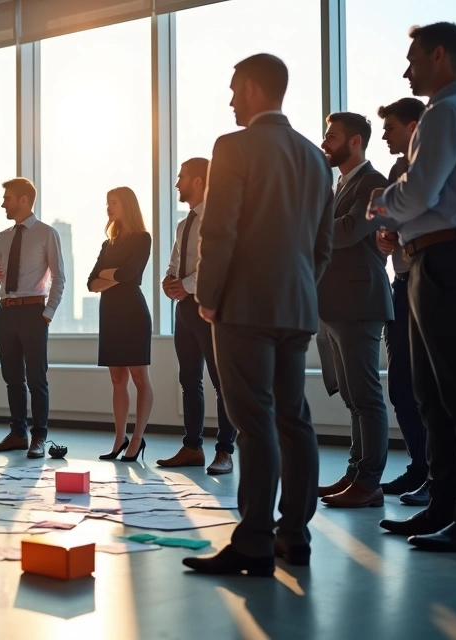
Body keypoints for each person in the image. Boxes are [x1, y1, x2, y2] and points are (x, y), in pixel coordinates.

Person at [183, 54, 333, 576]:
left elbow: (219, 230)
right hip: (297, 306)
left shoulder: (233, 146)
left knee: (254, 422)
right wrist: (298, 290)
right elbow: (323, 245)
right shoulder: (316, 159)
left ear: (249, 88)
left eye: (232, 89)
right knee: (295, 421)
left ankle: (252, 541)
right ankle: (295, 535)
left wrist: (207, 294)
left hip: (242, 305)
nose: (229, 101)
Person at [370, 23, 456, 553]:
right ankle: (444, 508)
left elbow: (420, 189)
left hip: (448, 259)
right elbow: (433, 196)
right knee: (434, 396)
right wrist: (401, 223)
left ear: (440, 56)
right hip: (447, 255)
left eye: (414, 59)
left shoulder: (445, 112)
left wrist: (383, 202)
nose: (407, 70)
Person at [316, 112, 392, 509]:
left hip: (360, 301)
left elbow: (347, 231)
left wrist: (313, 223)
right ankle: (355, 473)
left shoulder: (375, 183)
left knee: (366, 396)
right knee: (350, 397)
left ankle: (369, 483)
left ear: (356, 141)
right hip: (334, 304)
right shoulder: (339, 185)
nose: (325, 142)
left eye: (332, 136)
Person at [158, 158, 235, 475]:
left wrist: (185, 285)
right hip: (185, 310)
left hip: (213, 306)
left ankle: (225, 452)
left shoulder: (218, 219)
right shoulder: (183, 224)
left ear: (199, 181)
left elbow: (220, 264)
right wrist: (169, 281)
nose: (177, 184)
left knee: (223, 383)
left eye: (182, 177)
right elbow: (175, 261)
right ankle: (192, 448)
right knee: (188, 380)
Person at [0, 177, 66, 459]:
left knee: (36, 378)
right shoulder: (2, 237)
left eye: (7, 198)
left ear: (22, 200)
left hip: (34, 313)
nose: (3, 203)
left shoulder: (47, 233)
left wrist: (48, 313)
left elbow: (59, 277)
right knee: (12, 378)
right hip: (5, 311)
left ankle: (39, 437)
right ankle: (18, 433)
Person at [374, 97, 430, 506]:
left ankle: (441, 475)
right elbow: (387, 222)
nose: (384, 135)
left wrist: (399, 229)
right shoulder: (396, 170)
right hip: (402, 281)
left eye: (390, 128)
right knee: (400, 386)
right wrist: (387, 235)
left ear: (413, 126)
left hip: (428, 277)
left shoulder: (431, 164)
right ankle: (421, 467)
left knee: (431, 386)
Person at [88, 187, 152, 462]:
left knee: (139, 377)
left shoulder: (142, 238)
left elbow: (130, 274)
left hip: (133, 313)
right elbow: (91, 283)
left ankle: (137, 439)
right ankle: (119, 438)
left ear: (126, 205)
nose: (108, 207)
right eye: (107, 203)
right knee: (117, 379)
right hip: (110, 314)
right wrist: (116, 275)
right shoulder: (108, 244)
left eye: (113, 202)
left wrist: (109, 275)